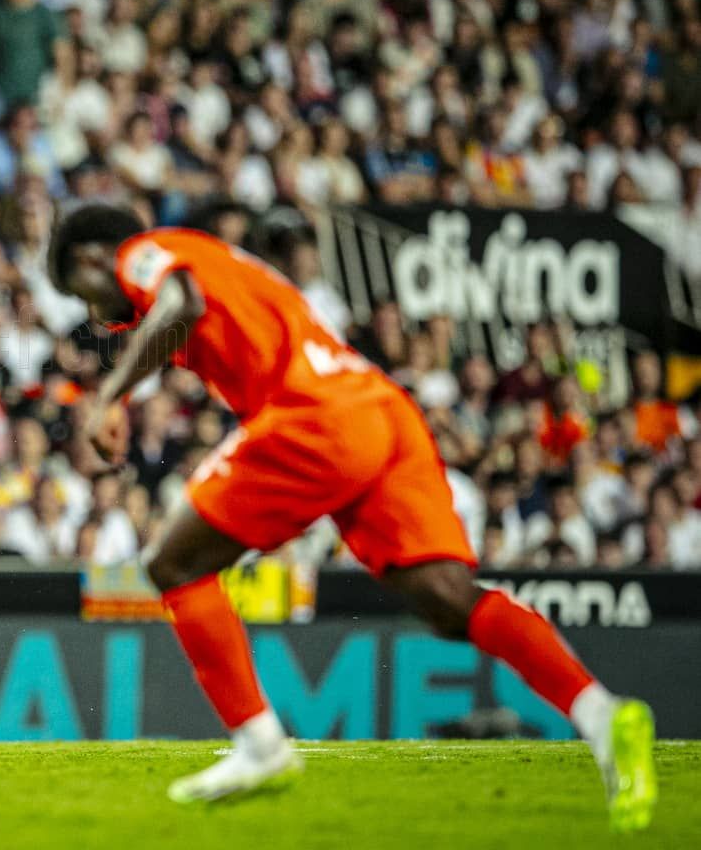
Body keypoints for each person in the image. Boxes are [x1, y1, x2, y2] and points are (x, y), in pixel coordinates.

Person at [45, 203, 656, 829]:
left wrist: (109, 397)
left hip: (315, 414)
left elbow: (182, 304)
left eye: (80, 291)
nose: (92, 312)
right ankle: (602, 716)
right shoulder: (211, 261)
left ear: (92, 257)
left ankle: (259, 745)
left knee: (171, 561)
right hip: (378, 405)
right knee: (446, 599)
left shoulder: (142, 253)